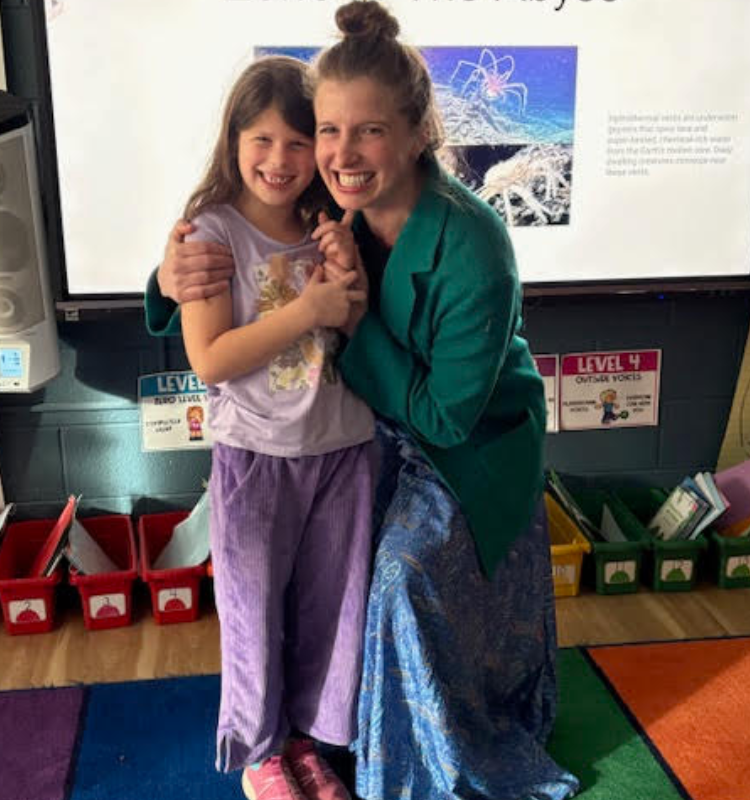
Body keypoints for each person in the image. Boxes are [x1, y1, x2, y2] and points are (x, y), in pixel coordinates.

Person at [146, 4, 580, 798]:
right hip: (341, 439)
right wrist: (168, 276)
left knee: (387, 582)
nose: (340, 154)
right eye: (330, 130)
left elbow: (445, 415)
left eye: (370, 131)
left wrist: (344, 317)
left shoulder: (473, 244)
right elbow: (245, 244)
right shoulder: (324, 204)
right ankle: (277, 743)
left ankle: (402, 750)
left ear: (418, 134)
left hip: (461, 449)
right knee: (277, 595)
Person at [164, 55, 377, 800]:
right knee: (253, 617)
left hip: (343, 452)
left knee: (329, 613)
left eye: (296, 142)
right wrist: (308, 311)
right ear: (233, 141)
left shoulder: (330, 225)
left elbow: (349, 328)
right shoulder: (211, 234)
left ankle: (307, 745)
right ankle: (258, 755)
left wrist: (344, 289)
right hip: (255, 457)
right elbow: (211, 359)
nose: (279, 160)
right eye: (262, 140)